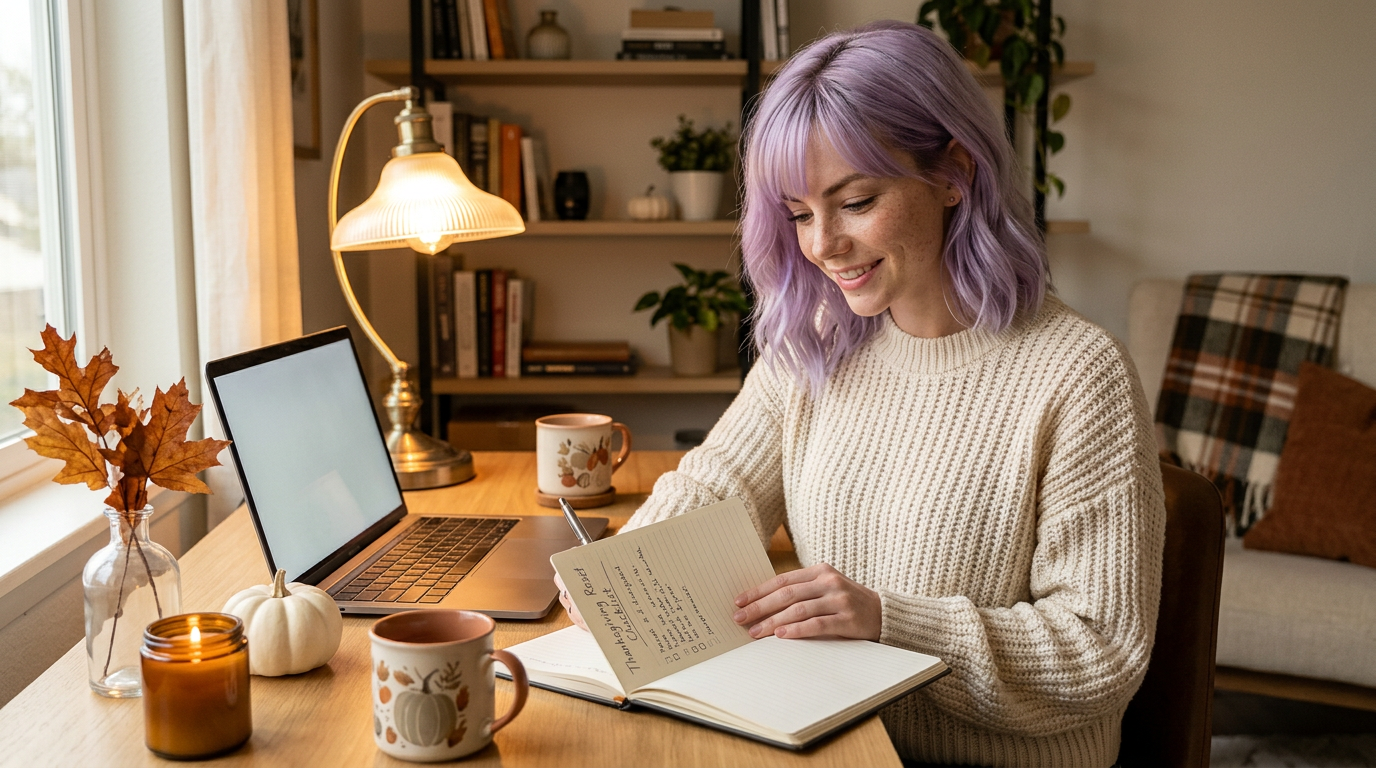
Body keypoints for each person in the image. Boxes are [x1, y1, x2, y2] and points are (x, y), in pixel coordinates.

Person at [557, 20, 1164, 768]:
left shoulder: (1078, 373)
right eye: (800, 214)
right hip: (829, 739)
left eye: (855, 201)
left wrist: (888, 622)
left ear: (954, 173)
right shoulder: (822, 333)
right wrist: (618, 582)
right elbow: (717, 487)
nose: (821, 245)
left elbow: (1100, 651)